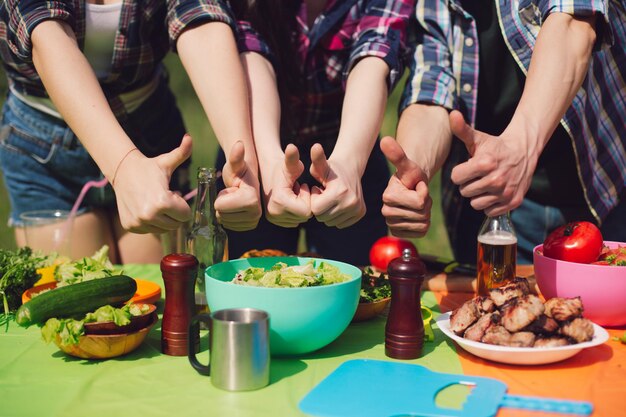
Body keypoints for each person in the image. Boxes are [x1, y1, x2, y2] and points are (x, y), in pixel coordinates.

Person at [0, 0, 261, 263]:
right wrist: (123, 165)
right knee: (73, 291)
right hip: (45, 148)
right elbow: (48, 38)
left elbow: (200, 18)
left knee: (160, 293)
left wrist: (241, 158)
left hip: (151, 138)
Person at [380, 0, 626, 264]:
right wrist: (415, 173)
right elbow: (430, 94)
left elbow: (573, 21)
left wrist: (520, 146)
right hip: (491, 195)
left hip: (606, 182)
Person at [217, 0, 414, 265]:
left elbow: (374, 55)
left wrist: (349, 163)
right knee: (248, 283)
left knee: (355, 285)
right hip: (254, 146)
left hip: (349, 143)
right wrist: (268, 159)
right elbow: (250, 53)